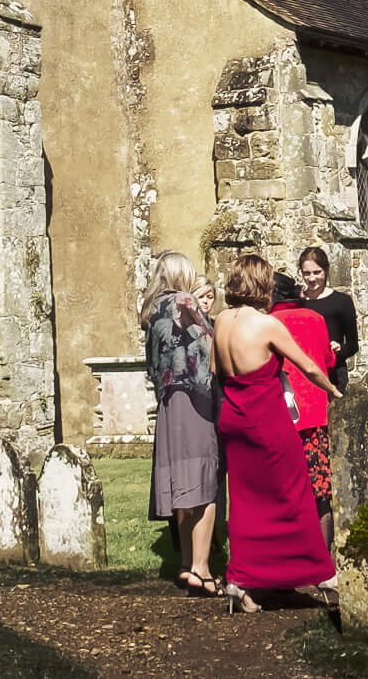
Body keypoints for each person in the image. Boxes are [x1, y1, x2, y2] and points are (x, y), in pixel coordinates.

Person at [213, 254, 341, 611]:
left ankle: (239, 581)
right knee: (294, 493)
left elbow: (215, 370)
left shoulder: (220, 321)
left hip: (233, 418)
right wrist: (334, 391)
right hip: (265, 418)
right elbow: (309, 366)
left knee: (245, 501)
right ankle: (322, 573)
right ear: (262, 283)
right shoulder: (266, 324)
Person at [141, 251, 221, 595]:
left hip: (168, 400)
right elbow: (210, 339)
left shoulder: (152, 307)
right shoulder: (183, 300)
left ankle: (187, 564)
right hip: (194, 397)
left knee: (183, 484)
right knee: (205, 481)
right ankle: (202, 568)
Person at [270, 273, 339, 547]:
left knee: (287, 490)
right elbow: (328, 360)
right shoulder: (316, 318)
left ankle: (293, 549)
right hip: (317, 411)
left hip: (282, 414)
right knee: (321, 490)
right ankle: (324, 551)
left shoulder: (268, 323)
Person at [295, 246, 360, 386]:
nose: (312, 278)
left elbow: (353, 345)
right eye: (306, 273)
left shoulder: (342, 301)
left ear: (326, 270)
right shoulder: (296, 302)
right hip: (303, 374)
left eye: (317, 272)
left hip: (333, 374)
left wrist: (340, 349)